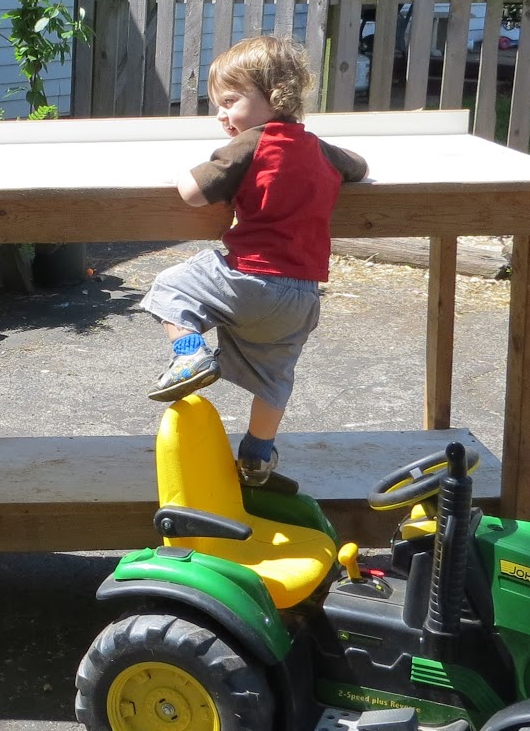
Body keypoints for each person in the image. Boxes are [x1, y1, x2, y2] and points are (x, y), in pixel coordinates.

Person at [139, 35, 368, 485]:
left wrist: (180, 172)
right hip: (301, 296)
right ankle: (258, 454)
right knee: (275, 377)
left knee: (171, 285)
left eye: (230, 101)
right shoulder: (319, 148)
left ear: (275, 95)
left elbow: (193, 193)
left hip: (249, 278)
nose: (222, 115)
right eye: (218, 105)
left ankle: (189, 354)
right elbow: (358, 167)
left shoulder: (250, 144)